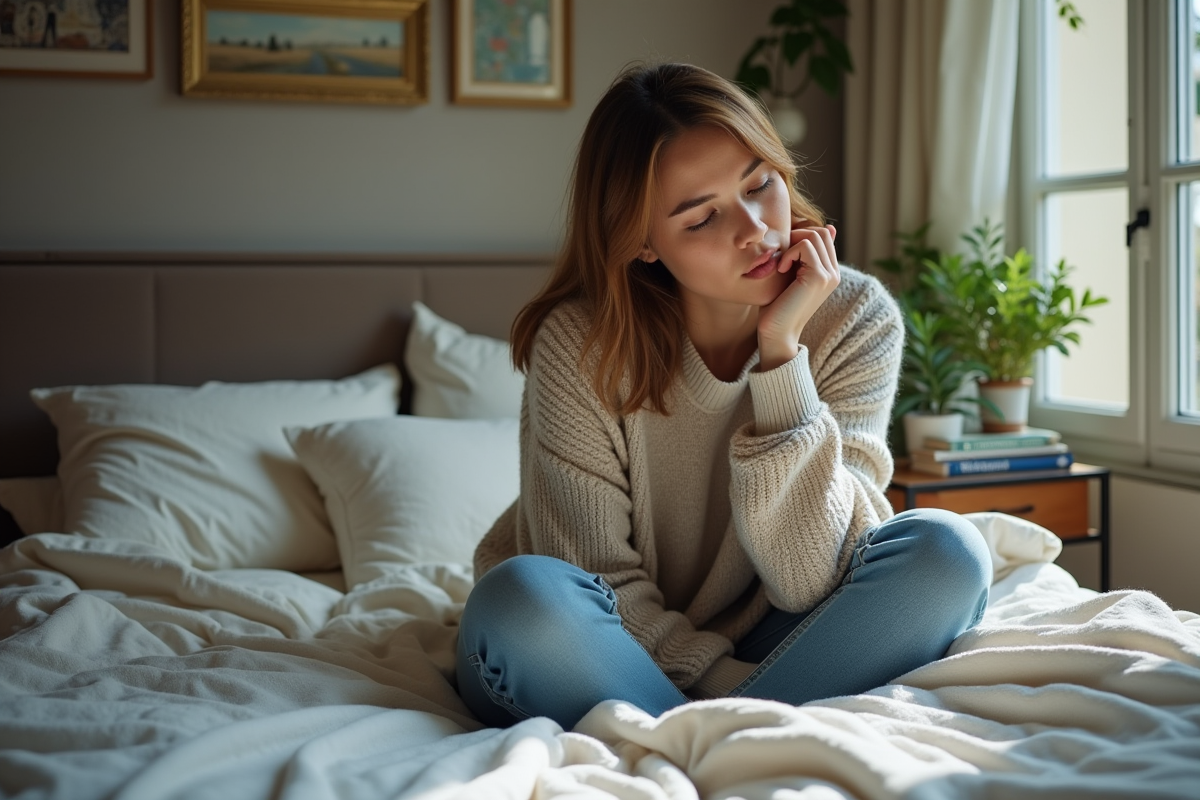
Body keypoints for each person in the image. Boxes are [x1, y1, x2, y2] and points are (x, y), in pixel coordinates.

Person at [455, 62, 991, 731]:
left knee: (949, 552)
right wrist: (716, 679)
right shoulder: (581, 343)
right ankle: (740, 736)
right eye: (702, 217)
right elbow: (592, 574)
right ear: (643, 243)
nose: (756, 230)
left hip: (776, 632)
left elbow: (812, 577)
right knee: (519, 598)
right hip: (594, 644)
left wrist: (782, 353)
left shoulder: (855, 316)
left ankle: (691, 743)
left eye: (759, 184)